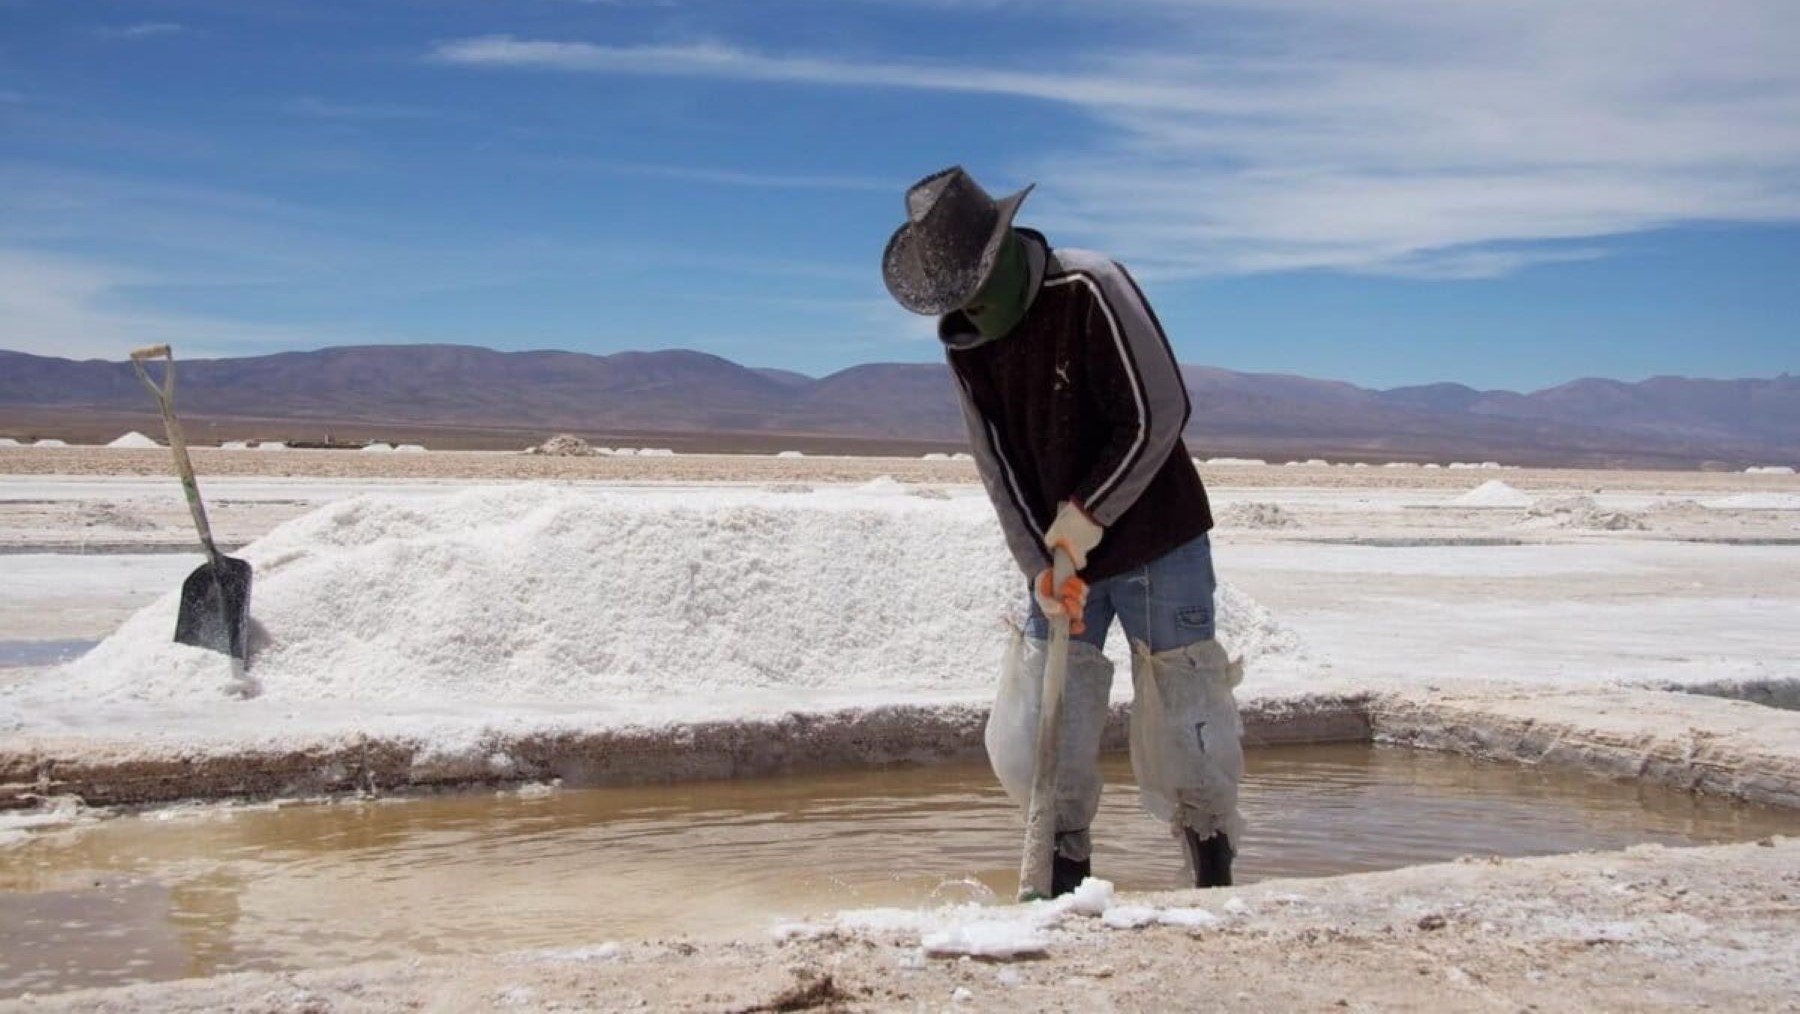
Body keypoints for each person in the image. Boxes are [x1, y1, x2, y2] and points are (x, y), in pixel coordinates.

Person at [882, 165, 1244, 895]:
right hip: (1063, 558)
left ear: (1001, 254)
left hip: (1158, 540)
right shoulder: (966, 344)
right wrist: (1040, 567)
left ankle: (1211, 877)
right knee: (1045, 730)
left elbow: (1158, 412)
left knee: (1187, 715)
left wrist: (1085, 516)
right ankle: (1062, 880)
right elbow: (997, 465)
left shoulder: (1090, 287)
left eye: (976, 289)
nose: (970, 309)